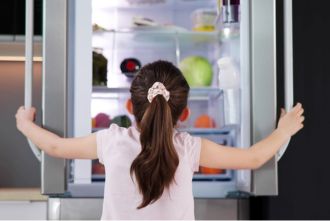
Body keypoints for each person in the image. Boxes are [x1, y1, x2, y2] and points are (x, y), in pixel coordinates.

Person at [16, 60, 304, 220]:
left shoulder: (111, 140)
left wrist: (25, 124)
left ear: (130, 108)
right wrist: (284, 130)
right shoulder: (188, 147)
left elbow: (55, 147)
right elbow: (252, 158)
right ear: (186, 114)